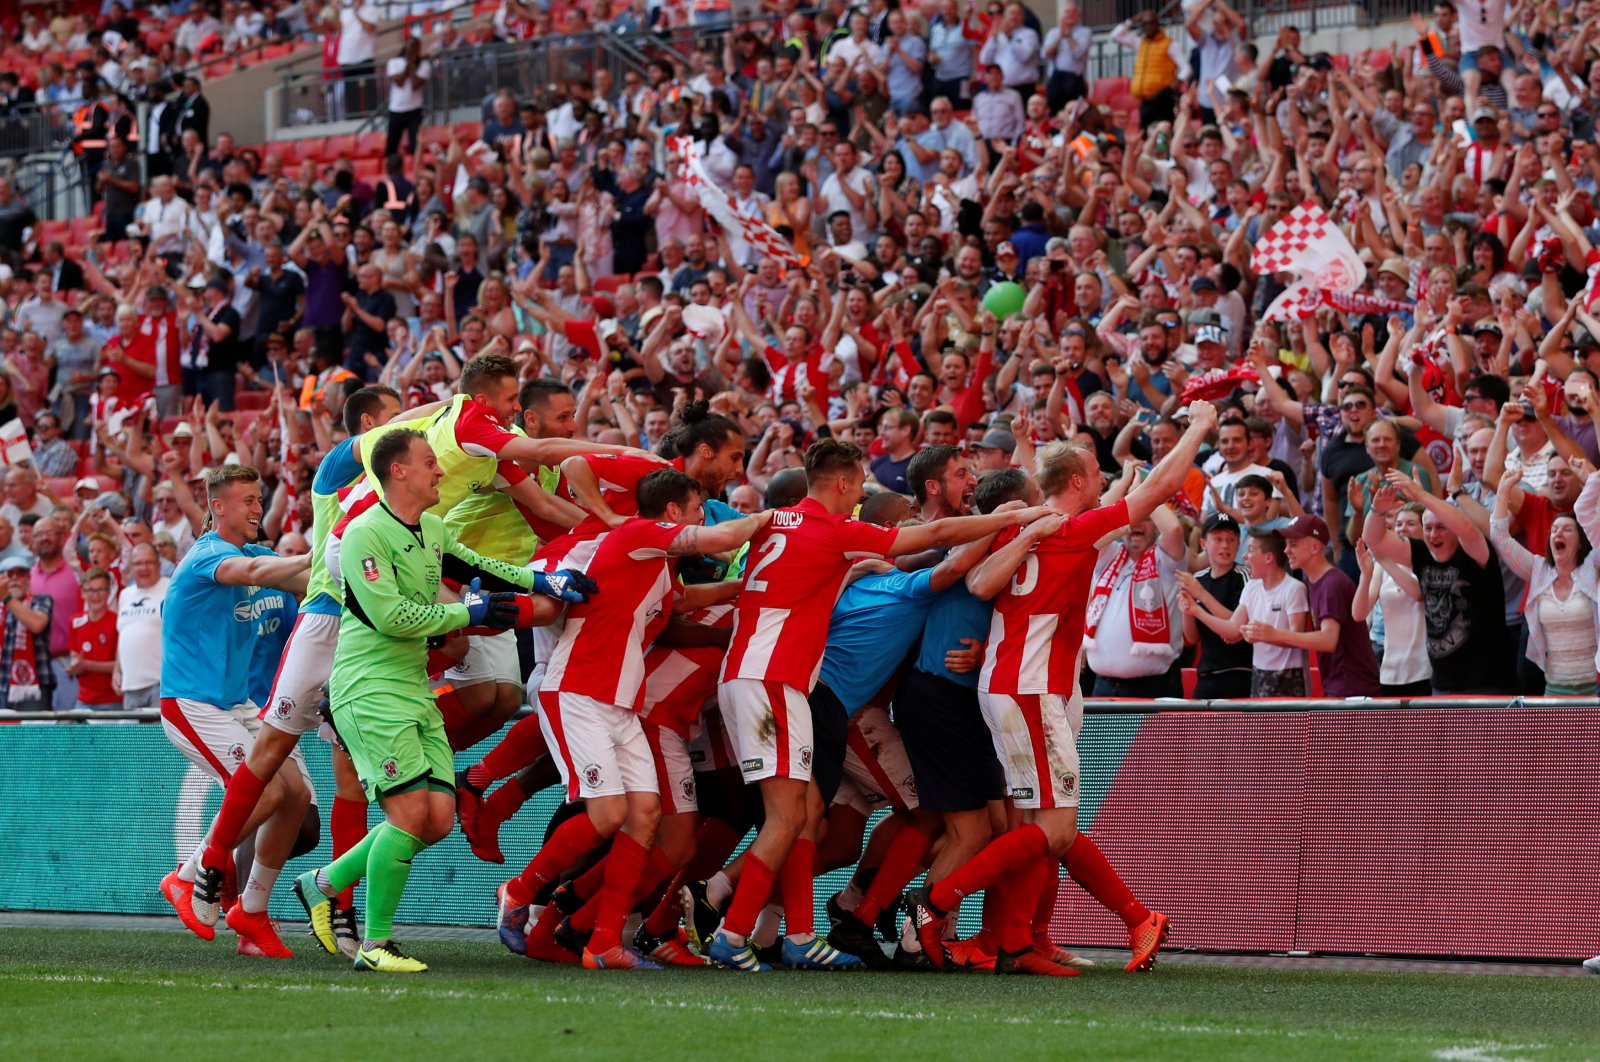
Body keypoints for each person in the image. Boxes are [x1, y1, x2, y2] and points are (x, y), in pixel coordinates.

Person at [704, 438, 1051, 972]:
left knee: (819, 826)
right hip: (788, 685)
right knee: (811, 818)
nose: (861, 504)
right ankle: (734, 921)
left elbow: (727, 544)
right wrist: (1025, 519)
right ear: (843, 484)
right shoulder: (843, 537)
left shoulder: (775, 522)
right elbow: (937, 544)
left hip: (767, 678)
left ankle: (791, 931)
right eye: (860, 490)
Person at [910, 400, 1217, 977]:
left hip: (1010, 685)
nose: (1103, 481)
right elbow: (1163, 489)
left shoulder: (1030, 525)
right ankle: (938, 902)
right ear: (1076, 481)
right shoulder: (1070, 531)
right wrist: (1199, 426)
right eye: (1095, 474)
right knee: (1054, 830)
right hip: (1030, 690)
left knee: (1033, 827)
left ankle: (1015, 941)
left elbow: (980, 583)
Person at [291, 428, 595, 974]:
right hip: (370, 689)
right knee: (410, 814)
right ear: (398, 472)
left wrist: (546, 579)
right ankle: (376, 944)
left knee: (437, 818)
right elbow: (392, 618)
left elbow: (480, 568)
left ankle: (324, 882)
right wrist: (469, 614)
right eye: (430, 463)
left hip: (412, 688)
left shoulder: (431, 527)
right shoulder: (364, 533)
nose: (440, 472)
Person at [497, 470, 769, 971]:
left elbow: (683, 601)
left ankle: (603, 942)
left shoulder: (660, 566)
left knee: (644, 817)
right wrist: (779, 517)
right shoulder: (640, 535)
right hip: (578, 690)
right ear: (671, 514)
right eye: (695, 510)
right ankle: (517, 891)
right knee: (607, 815)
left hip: (621, 703)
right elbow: (726, 536)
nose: (699, 520)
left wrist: (742, 587)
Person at [155, 466, 313, 957]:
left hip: (241, 703)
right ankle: (186, 876)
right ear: (217, 506)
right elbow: (249, 573)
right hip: (191, 702)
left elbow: (305, 581)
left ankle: (252, 909)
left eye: (258, 498)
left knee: (298, 802)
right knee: (262, 789)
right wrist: (324, 551)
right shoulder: (208, 556)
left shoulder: (261, 556)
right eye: (245, 499)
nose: (255, 508)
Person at [1363, 474, 1509, 695]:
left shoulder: (1474, 550)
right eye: (1428, 528)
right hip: (1441, 683)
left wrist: (1421, 495)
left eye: (1441, 527)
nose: (1433, 534)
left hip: (1486, 682)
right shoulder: (1421, 553)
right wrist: (1377, 510)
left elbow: (1467, 528)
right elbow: (1373, 540)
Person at [1500, 469, 1600, 695]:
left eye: (1567, 529)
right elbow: (1501, 539)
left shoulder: (1593, 566)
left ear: (1581, 541)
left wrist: (1592, 480)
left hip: (1593, 692)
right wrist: (1503, 491)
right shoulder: (1538, 569)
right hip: (1553, 691)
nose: (1558, 534)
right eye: (1554, 530)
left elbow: (1585, 513)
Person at [1275, 516, 1382, 698]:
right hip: (1341, 685)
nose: (1286, 551)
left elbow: (1328, 639)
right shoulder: (1313, 580)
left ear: (1315, 548)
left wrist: (1274, 634)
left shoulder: (1331, 583)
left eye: (1293, 544)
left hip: (1352, 689)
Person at [1176, 513, 1253, 699]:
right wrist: (1187, 610)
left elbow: (1237, 626)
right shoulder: (1198, 579)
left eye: (1231, 539)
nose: (1225, 546)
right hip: (1207, 673)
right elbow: (1192, 637)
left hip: (1240, 672)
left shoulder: (1245, 577)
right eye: (1218, 539)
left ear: (1239, 543)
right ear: (1204, 544)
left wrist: (1200, 596)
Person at [113, 542, 167, 710]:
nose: (143, 568)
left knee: (158, 737)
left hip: (161, 684)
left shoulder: (171, 588)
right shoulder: (125, 595)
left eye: (148, 562)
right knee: (131, 737)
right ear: (131, 567)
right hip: (130, 686)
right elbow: (123, 633)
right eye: (138, 563)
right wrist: (117, 669)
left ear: (158, 565)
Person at [0, 554, 53, 712]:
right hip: (2, 682)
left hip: (34, 686)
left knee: (32, 735)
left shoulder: (41, 600)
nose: (15, 579)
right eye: (10, 574)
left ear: (29, 579)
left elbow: (37, 624)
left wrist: (7, 598)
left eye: (20, 574)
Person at [68, 567, 120, 711]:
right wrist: (74, 665)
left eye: (100, 590)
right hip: (83, 699)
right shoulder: (75, 622)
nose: (95, 595)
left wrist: (86, 665)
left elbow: (119, 665)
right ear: (83, 593)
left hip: (111, 700)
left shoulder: (117, 622)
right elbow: (74, 656)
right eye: (90, 590)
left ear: (109, 592)